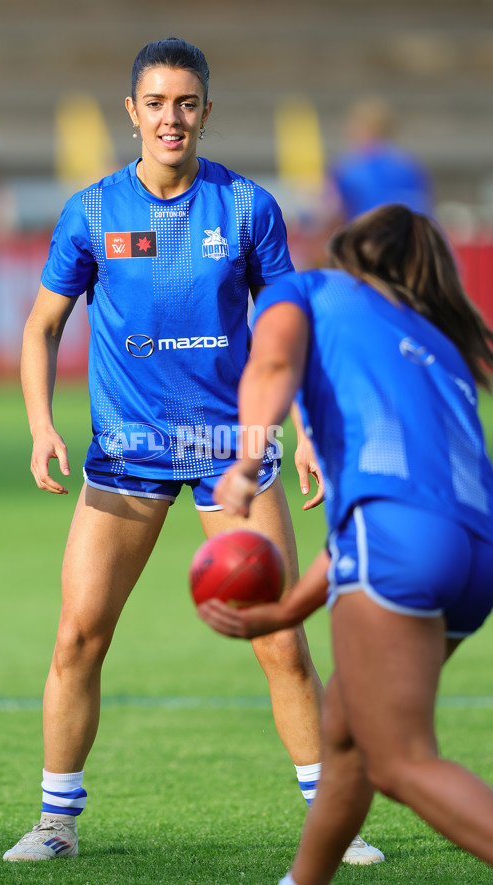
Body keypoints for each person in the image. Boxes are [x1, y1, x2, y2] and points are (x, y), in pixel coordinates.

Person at [3, 37, 383, 865]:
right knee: (77, 637)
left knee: (280, 637)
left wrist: (312, 430)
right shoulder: (93, 212)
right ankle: (56, 821)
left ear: (205, 113)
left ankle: (333, 822)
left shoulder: (247, 208)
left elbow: (289, 330)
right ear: (131, 111)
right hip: (125, 453)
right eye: (156, 102)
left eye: (186, 103)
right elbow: (41, 326)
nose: (171, 118)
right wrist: (41, 422)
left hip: (230, 450)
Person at [198, 203, 493, 883]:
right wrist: (284, 612)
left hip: (398, 536)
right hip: (470, 552)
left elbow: (270, 366)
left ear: (347, 249)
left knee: (400, 760)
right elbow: (391, 513)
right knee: (346, 736)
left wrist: (247, 457)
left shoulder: (304, 291)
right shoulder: (436, 342)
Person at [327, 96, 434, 222]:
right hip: (409, 236)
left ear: (365, 127)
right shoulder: (410, 164)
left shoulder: (348, 166)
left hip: (368, 235)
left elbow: (331, 213)